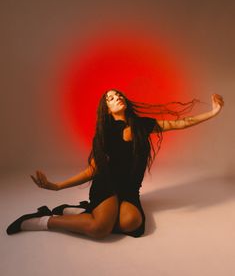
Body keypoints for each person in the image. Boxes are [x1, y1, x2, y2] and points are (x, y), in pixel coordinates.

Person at [6, 89, 224, 238]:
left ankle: (80, 212)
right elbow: (93, 170)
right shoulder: (105, 134)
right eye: (110, 98)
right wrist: (56, 186)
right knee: (100, 228)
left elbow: (180, 124)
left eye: (118, 94)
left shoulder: (141, 124)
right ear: (107, 109)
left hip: (129, 190)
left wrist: (213, 112)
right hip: (107, 186)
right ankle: (44, 220)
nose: (116, 97)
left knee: (132, 224)